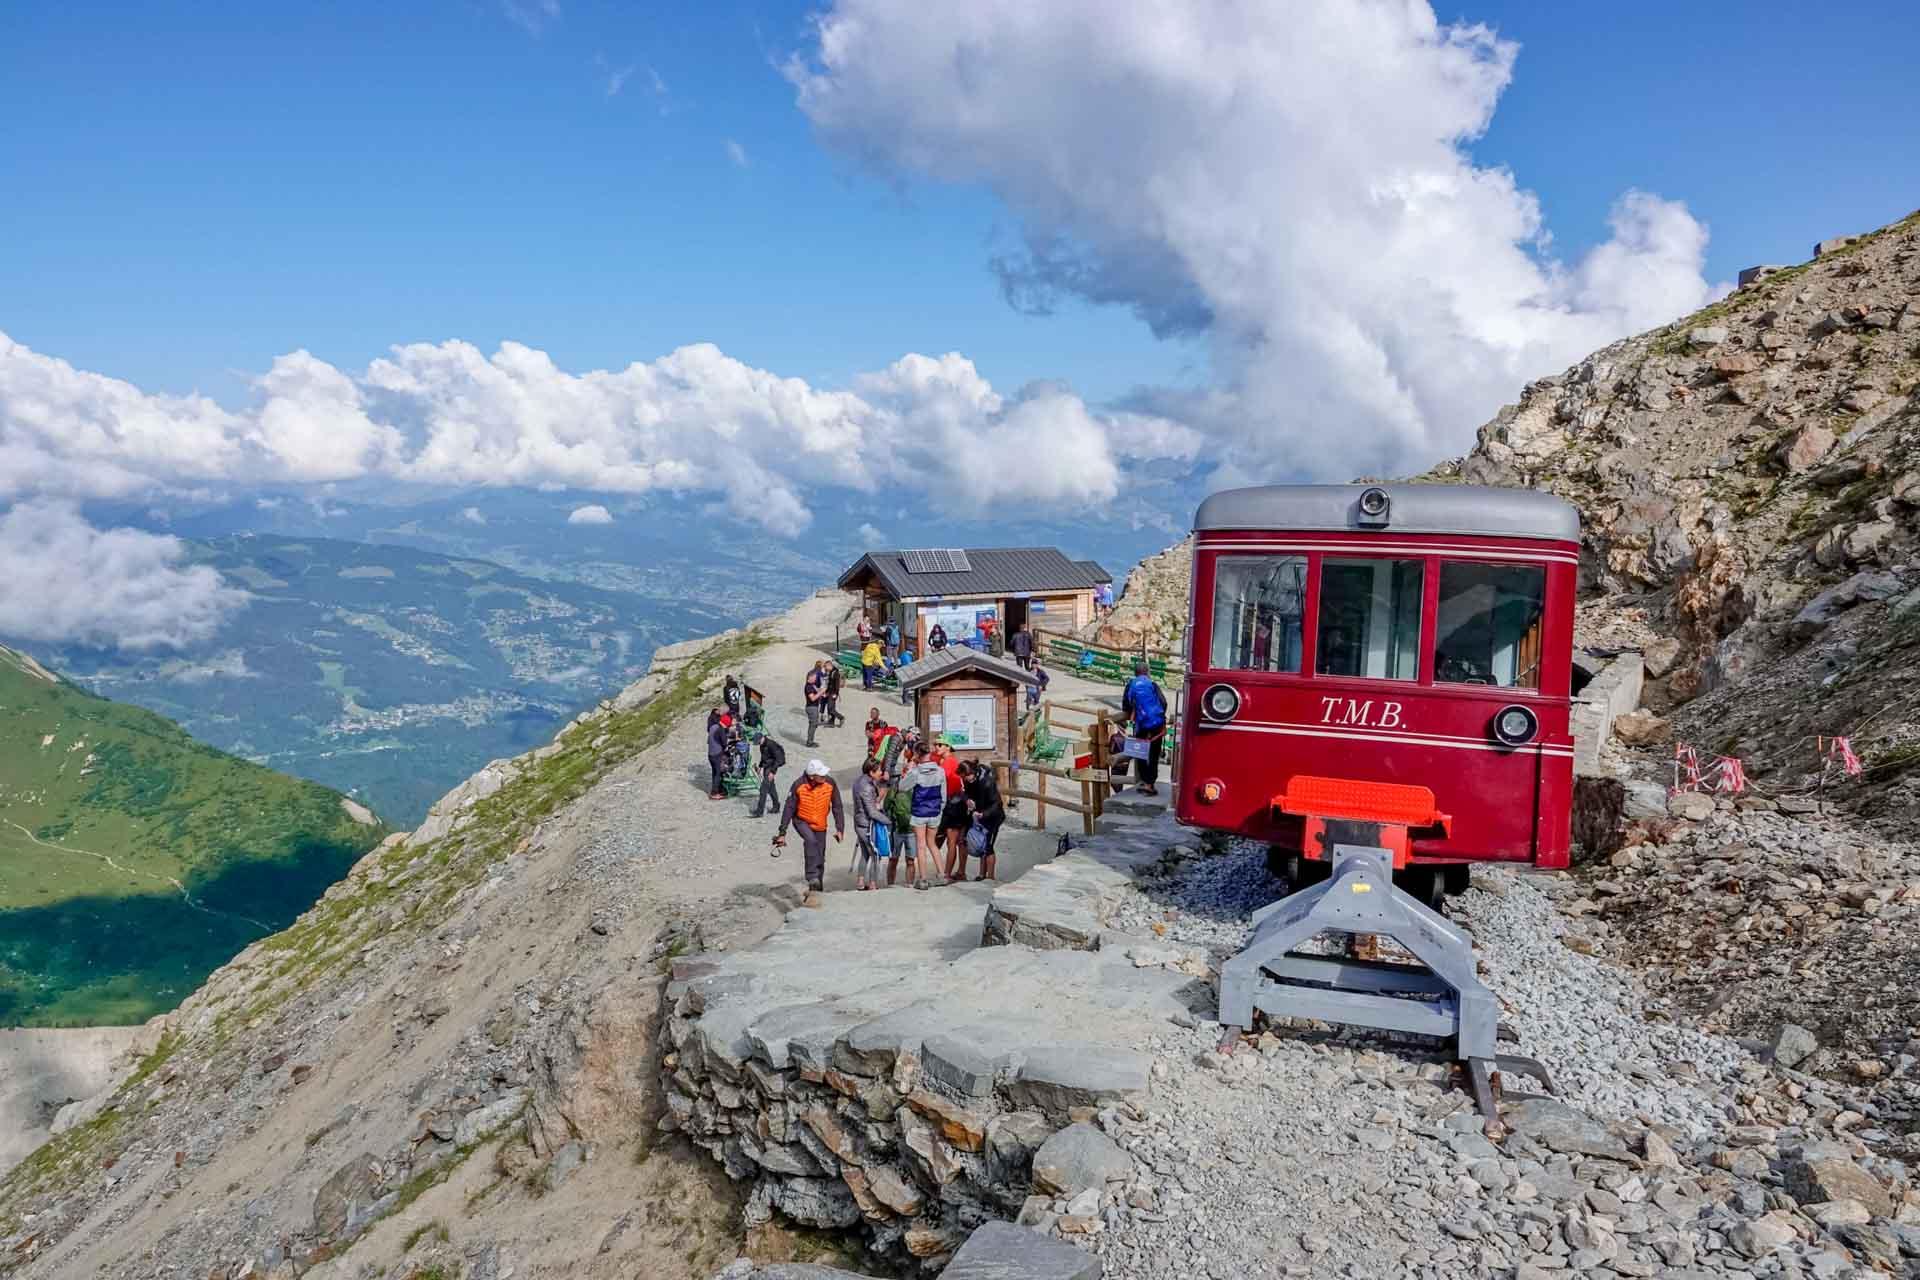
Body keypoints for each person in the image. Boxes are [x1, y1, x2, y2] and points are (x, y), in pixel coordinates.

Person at [773, 759, 843, 908]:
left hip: (820, 825)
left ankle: (816, 890)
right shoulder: (798, 785)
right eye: (821, 774)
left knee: (820, 857)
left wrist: (840, 828)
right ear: (812, 776)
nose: (825, 776)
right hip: (801, 821)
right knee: (810, 841)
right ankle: (811, 877)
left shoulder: (830, 783)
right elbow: (789, 808)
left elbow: (837, 806)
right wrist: (782, 832)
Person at [1121, 659, 1169, 796]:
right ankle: (1150, 784)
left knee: (1140, 753)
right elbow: (1164, 702)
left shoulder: (1131, 684)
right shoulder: (1152, 684)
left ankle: (1144, 781)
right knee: (1154, 754)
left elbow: (1126, 704)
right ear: (1147, 672)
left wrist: (1133, 713)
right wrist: (1159, 717)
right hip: (1157, 724)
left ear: (1135, 673)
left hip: (1141, 724)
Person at [901, 745, 946, 892]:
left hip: (919, 812)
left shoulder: (916, 772)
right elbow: (943, 795)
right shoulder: (940, 770)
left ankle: (923, 879)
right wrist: (940, 810)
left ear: (917, 755)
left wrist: (910, 768)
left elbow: (902, 787)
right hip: (935, 811)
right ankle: (941, 875)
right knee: (932, 843)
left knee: (921, 845)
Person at [960, 759, 1006, 882]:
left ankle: (990, 876)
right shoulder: (969, 780)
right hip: (979, 814)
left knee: (988, 846)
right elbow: (964, 792)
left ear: (973, 772)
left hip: (993, 817)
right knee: (981, 842)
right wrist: (967, 800)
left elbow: (997, 803)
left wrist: (984, 814)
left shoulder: (987, 782)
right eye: (964, 777)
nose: (966, 779)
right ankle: (981, 874)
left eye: (967, 776)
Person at [851, 757, 889, 891]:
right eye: (879, 770)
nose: (881, 772)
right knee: (875, 854)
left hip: (860, 822)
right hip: (867, 825)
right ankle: (872, 883)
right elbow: (872, 812)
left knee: (865, 853)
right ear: (871, 772)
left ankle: (861, 882)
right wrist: (887, 821)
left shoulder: (859, 782)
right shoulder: (866, 786)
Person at [934, 742, 968, 884]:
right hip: (958, 802)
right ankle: (960, 871)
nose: (937, 747)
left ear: (948, 747)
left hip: (953, 804)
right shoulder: (950, 761)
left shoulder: (948, 762)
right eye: (936, 744)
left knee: (952, 841)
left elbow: (939, 779)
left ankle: (947, 873)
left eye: (940, 745)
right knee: (959, 841)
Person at [749, 733, 786, 818]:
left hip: (772, 767)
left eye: (758, 741)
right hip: (767, 766)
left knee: (763, 790)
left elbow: (779, 759)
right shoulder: (762, 745)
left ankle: (759, 811)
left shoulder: (771, 745)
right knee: (771, 788)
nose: (758, 743)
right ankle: (776, 807)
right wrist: (760, 766)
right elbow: (764, 757)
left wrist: (772, 772)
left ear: (762, 738)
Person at [705, 707, 730, 800]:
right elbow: (724, 743)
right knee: (718, 773)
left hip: (710, 754)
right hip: (717, 754)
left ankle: (718, 789)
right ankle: (714, 793)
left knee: (714, 772)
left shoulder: (713, 727)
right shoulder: (721, 730)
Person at [803, 661, 826, 748]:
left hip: (814, 707)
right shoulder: (808, 686)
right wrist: (821, 693)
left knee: (814, 725)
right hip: (811, 708)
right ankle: (810, 742)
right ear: (810, 677)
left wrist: (822, 692)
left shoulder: (812, 685)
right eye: (815, 677)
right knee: (813, 725)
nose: (816, 679)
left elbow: (818, 690)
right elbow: (813, 698)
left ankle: (810, 740)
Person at [824, 662, 847, 728]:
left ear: (829, 666)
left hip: (833, 693)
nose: (825, 668)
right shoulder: (831, 671)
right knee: (831, 708)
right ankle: (831, 722)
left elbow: (837, 685)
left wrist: (836, 694)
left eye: (826, 667)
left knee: (830, 708)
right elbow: (829, 683)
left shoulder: (835, 673)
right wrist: (826, 692)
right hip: (831, 692)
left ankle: (841, 717)